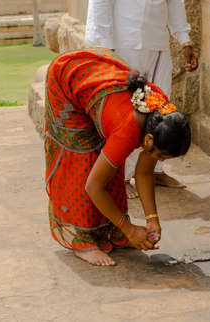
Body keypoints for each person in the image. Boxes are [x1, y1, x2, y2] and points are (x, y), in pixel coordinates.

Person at [44, 47, 191, 266]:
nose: (159, 160)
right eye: (162, 156)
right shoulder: (128, 131)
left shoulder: (161, 115)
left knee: (111, 165)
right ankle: (82, 241)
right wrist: (130, 229)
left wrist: (152, 219)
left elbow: (144, 173)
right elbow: (93, 187)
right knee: (83, 160)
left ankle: (114, 233)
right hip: (67, 78)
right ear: (149, 140)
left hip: (99, 81)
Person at [85, 0, 199, 198]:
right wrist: (104, 47)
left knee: (162, 107)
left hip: (158, 44)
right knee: (128, 113)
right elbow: (101, 4)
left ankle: (155, 171)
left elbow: (174, 3)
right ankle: (122, 177)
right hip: (123, 43)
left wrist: (184, 39)